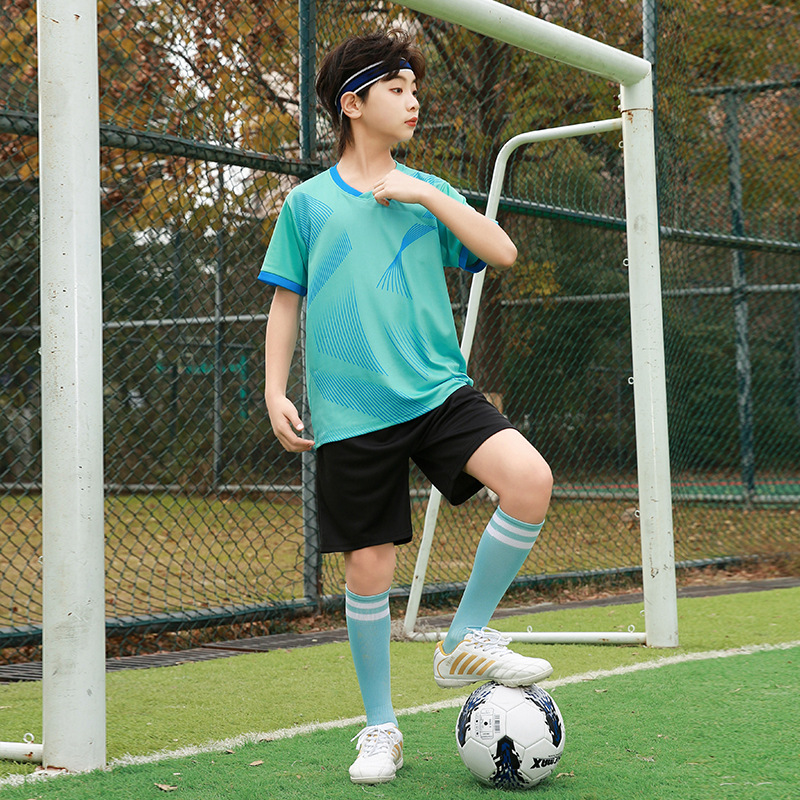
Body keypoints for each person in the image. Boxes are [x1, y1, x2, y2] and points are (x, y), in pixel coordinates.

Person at [259, 29, 554, 785]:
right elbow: (285, 302)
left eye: (415, 89)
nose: (413, 100)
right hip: (353, 412)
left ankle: (463, 638)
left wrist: (426, 194)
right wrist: (274, 389)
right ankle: (381, 728)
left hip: (437, 390)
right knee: (369, 570)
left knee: (529, 480)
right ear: (353, 104)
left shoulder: (429, 192)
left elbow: (501, 252)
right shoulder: (307, 205)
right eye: (397, 89)